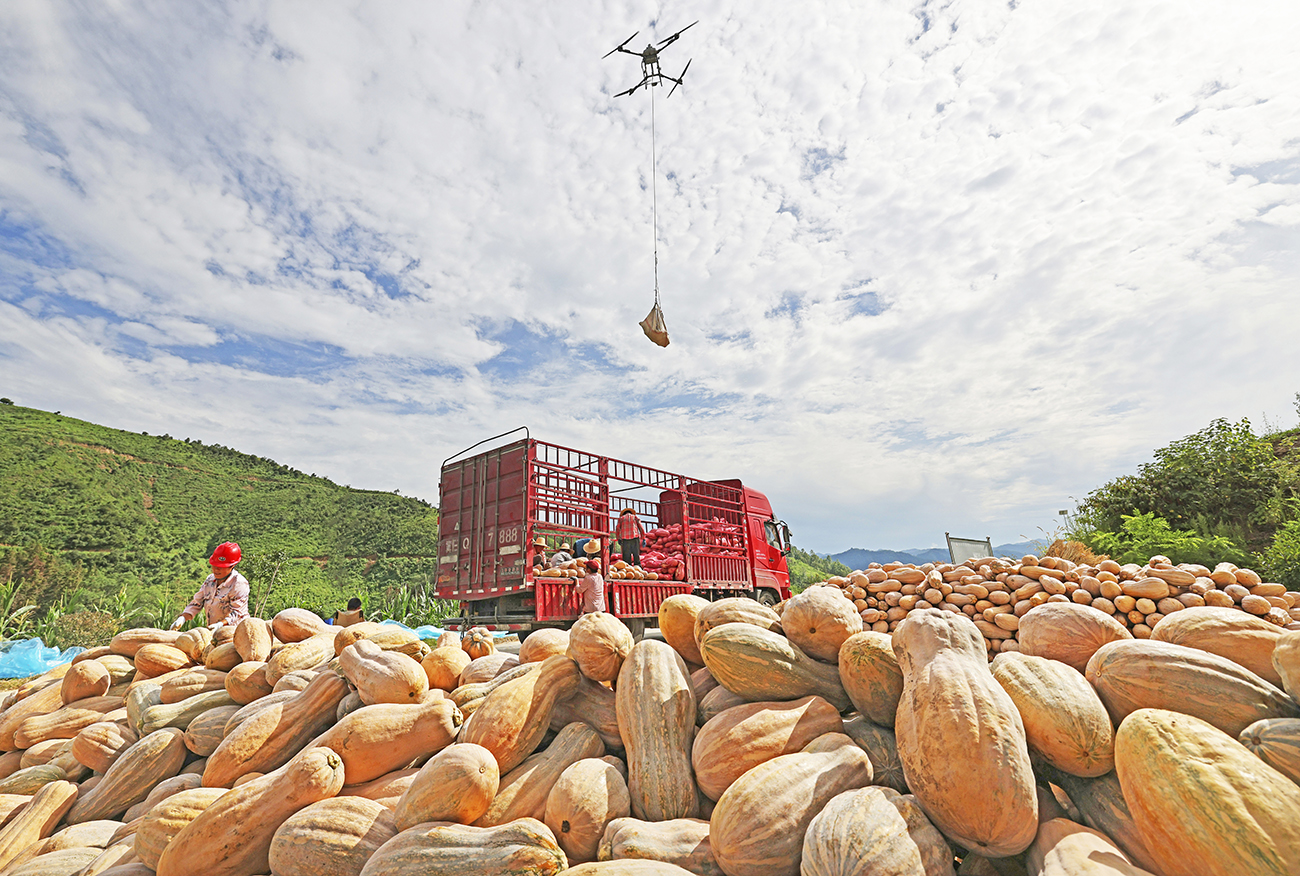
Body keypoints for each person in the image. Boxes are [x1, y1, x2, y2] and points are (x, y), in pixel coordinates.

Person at [170, 542, 250, 630]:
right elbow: (197, 603)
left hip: (235, 631)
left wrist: (220, 624)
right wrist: (183, 618)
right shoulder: (210, 580)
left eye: (221, 567)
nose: (216, 570)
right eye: (214, 565)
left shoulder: (239, 584)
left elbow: (237, 613)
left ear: (232, 566)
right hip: (214, 630)